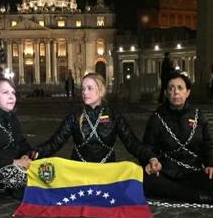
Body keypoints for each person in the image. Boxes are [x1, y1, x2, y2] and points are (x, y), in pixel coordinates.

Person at [33, 73, 161, 173]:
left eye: (89, 88)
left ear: (100, 91)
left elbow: (132, 143)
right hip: (79, 170)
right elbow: (55, 142)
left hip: (106, 170)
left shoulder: (114, 116)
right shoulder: (75, 117)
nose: (84, 92)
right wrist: (34, 154)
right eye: (83, 89)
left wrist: (151, 157)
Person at [141, 71, 213, 206]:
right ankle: (200, 197)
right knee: (145, 179)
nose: (175, 92)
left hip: (192, 171)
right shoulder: (156, 118)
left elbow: (208, 145)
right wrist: (152, 160)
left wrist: (211, 165)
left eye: (180, 88)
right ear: (166, 93)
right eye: (171, 88)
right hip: (165, 172)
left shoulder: (198, 115)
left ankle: (177, 193)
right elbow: (146, 147)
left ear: (187, 92)